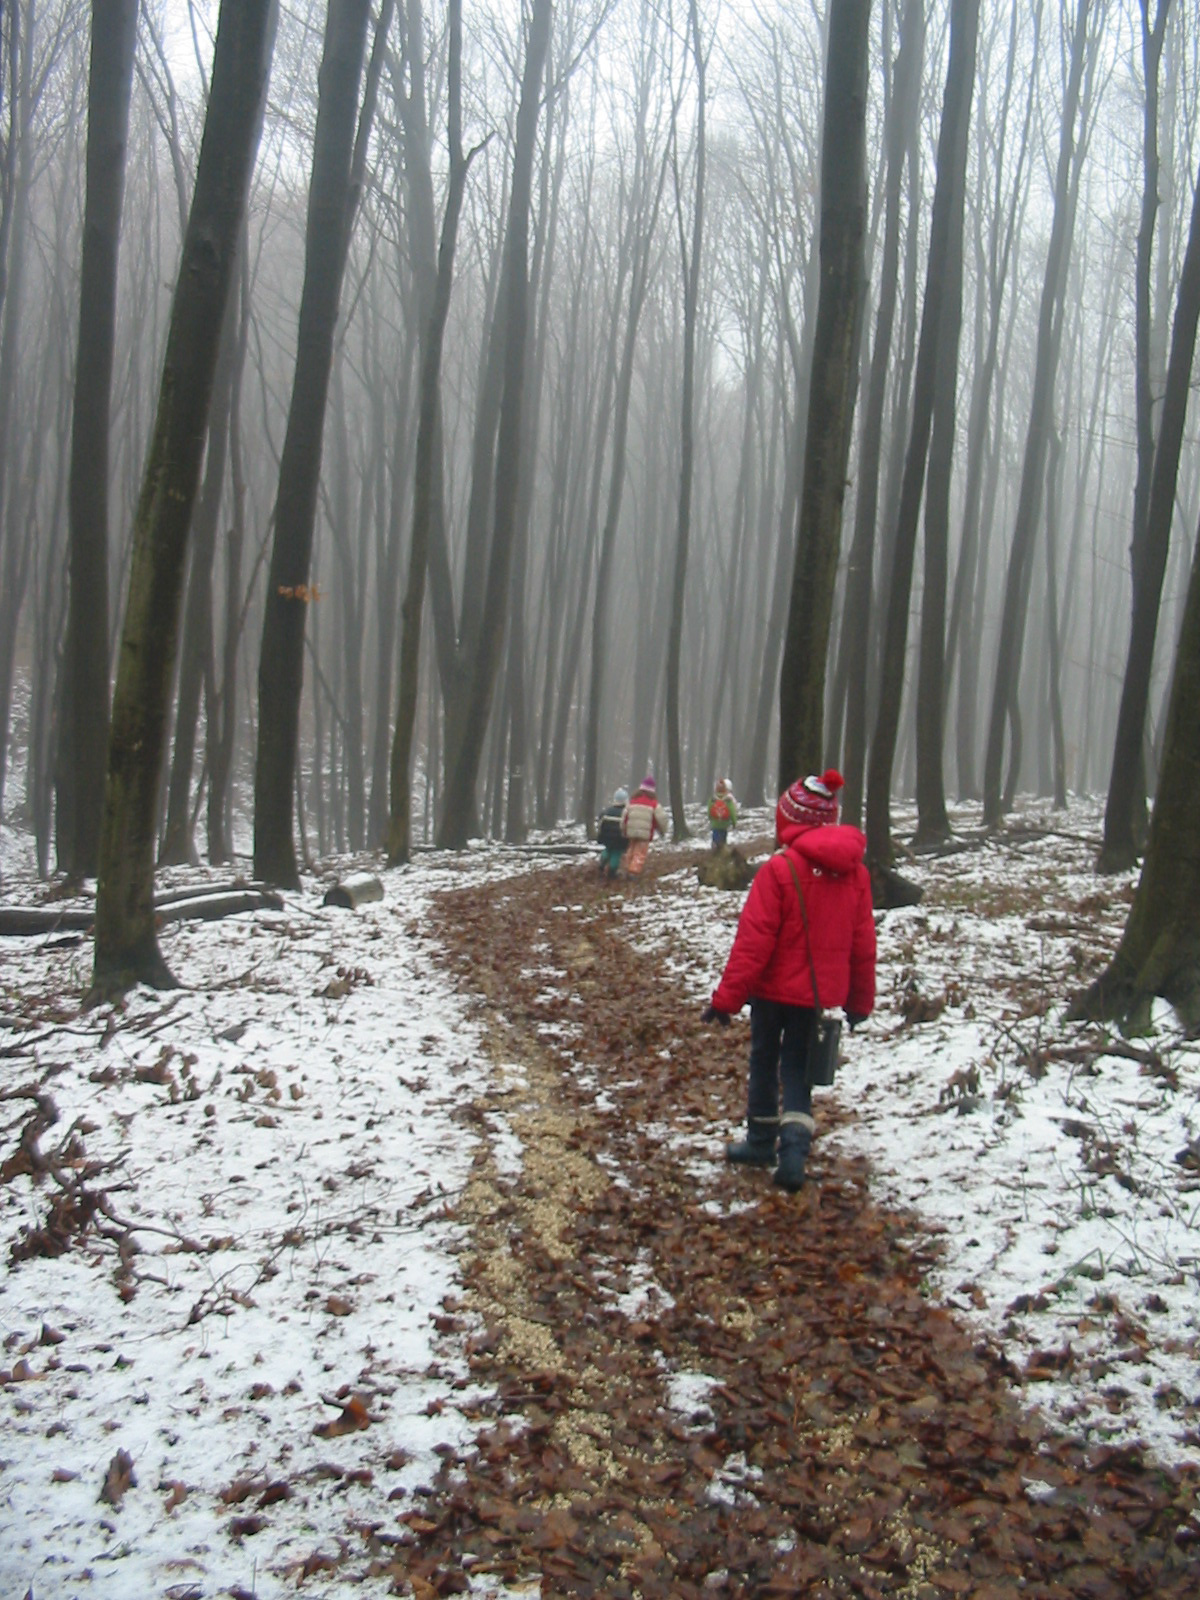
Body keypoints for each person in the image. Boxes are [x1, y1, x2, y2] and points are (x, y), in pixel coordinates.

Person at [702, 770, 875, 1190]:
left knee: (764, 1060)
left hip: (770, 993)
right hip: (814, 997)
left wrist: (726, 1000)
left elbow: (752, 944)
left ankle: (761, 1140)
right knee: (798, 1070)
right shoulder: (854, 875)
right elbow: (863, 945)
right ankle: (794, 1154)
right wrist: (859, 1003)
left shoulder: (779, 870)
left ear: (790, 820)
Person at [621, 774, 669, 876]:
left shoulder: (632, 801)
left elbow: (624, 817)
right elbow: (662, 818)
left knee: (631, 849)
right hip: (645, 833)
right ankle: (633, 871)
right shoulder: (654, 803)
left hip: (631, 831)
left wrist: (623, 829)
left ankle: (626, 867)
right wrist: (663, 830)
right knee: (640, 852)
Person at [597, 787, 629, 879]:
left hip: (606, 838)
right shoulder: (626, 813)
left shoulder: (606, 811)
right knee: (616, 853)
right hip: (620, 839)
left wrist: (600, 836)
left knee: (608, 849)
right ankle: (612, 871)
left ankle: (603, 861)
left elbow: (600, 824)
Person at [707, 777, 738, 851]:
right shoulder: (728, 800)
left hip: (715, 823)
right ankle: (722, 850)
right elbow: (732, 812)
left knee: (715, 835)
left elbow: (709, 811)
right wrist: (734, 822)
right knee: (723, 837)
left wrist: (711, 819)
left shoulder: (712, 799)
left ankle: (715, 848)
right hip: (724, 823)